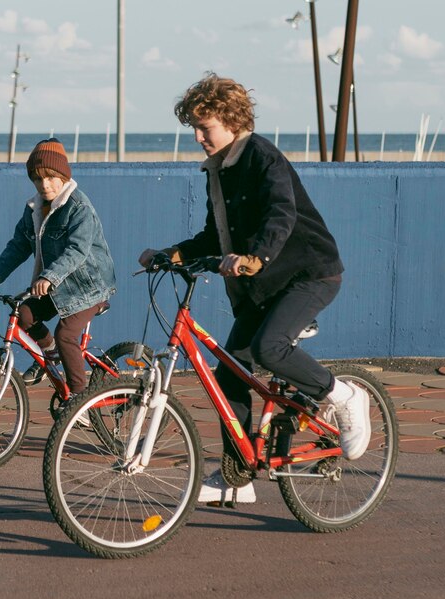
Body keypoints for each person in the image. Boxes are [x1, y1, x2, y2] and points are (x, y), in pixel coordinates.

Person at [138, 73, 370, 505]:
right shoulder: (218, 172)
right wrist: (173, 253)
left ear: (230, 120)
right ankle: (237, 475)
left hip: (308, 274)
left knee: (269, 348)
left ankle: (345, 396)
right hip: (261, 288)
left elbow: (279, 214)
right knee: (230, 373)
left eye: (204, 127)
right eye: (193, 127)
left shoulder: (263, 157)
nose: (197, 136)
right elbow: (215, 234)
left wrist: (256, 257)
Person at [0, 138, 116, 406]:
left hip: (89, 286)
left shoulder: (79, 207)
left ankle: (78, 399)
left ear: (63, 176)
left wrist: (49, 277)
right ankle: (50, 356)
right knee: (24, 314)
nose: (44, 185)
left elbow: (77, 250)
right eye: (37, 179)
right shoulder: (34, 208)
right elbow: (18, 247)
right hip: (54, 284)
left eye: (51, 177)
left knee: (65, 334)